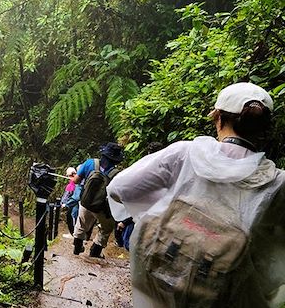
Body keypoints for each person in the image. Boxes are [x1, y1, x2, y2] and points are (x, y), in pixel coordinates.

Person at [107, 82, 285, 308]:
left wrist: (165, 210)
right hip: (226, 298)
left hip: (160, 287)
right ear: (263, 129)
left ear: (219, 119)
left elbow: (119, 189)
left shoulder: (184, 154)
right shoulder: (277, 183)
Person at [72, 142, 124, 258]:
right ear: (116, 160)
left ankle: (77, 248)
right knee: (106, 228)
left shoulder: (90, 163)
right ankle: (95, 252)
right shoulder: (117, 174)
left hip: (86, 202)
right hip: (101, 207)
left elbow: (76, 180)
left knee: (81, 223)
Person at [61, 166, 78, 234]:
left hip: (74, 204)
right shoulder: (74, 183)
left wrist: (63, 203)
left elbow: (67, 195)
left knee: (73, 217)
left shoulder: (72, 184)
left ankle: (74, 234)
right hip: (73, 204)